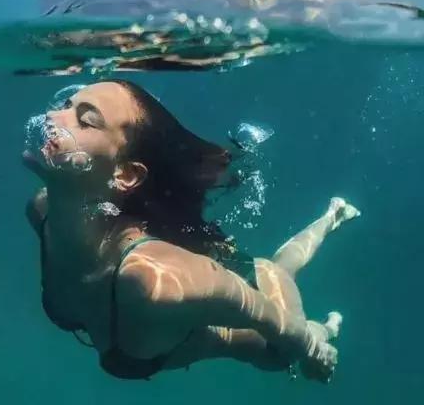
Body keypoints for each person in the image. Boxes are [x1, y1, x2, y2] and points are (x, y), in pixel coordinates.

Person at [23, 80, 360, 381]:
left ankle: (332, 223)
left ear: (125, 174)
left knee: (279, 311)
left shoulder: (153, 283)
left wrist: (314, 349)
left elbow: (270, 318)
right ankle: (333, 215)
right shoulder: (41, 212)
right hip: (211, 287)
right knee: (278, 268)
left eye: (86, 120)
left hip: (264, 309)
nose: (54, 118)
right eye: (65, 105)